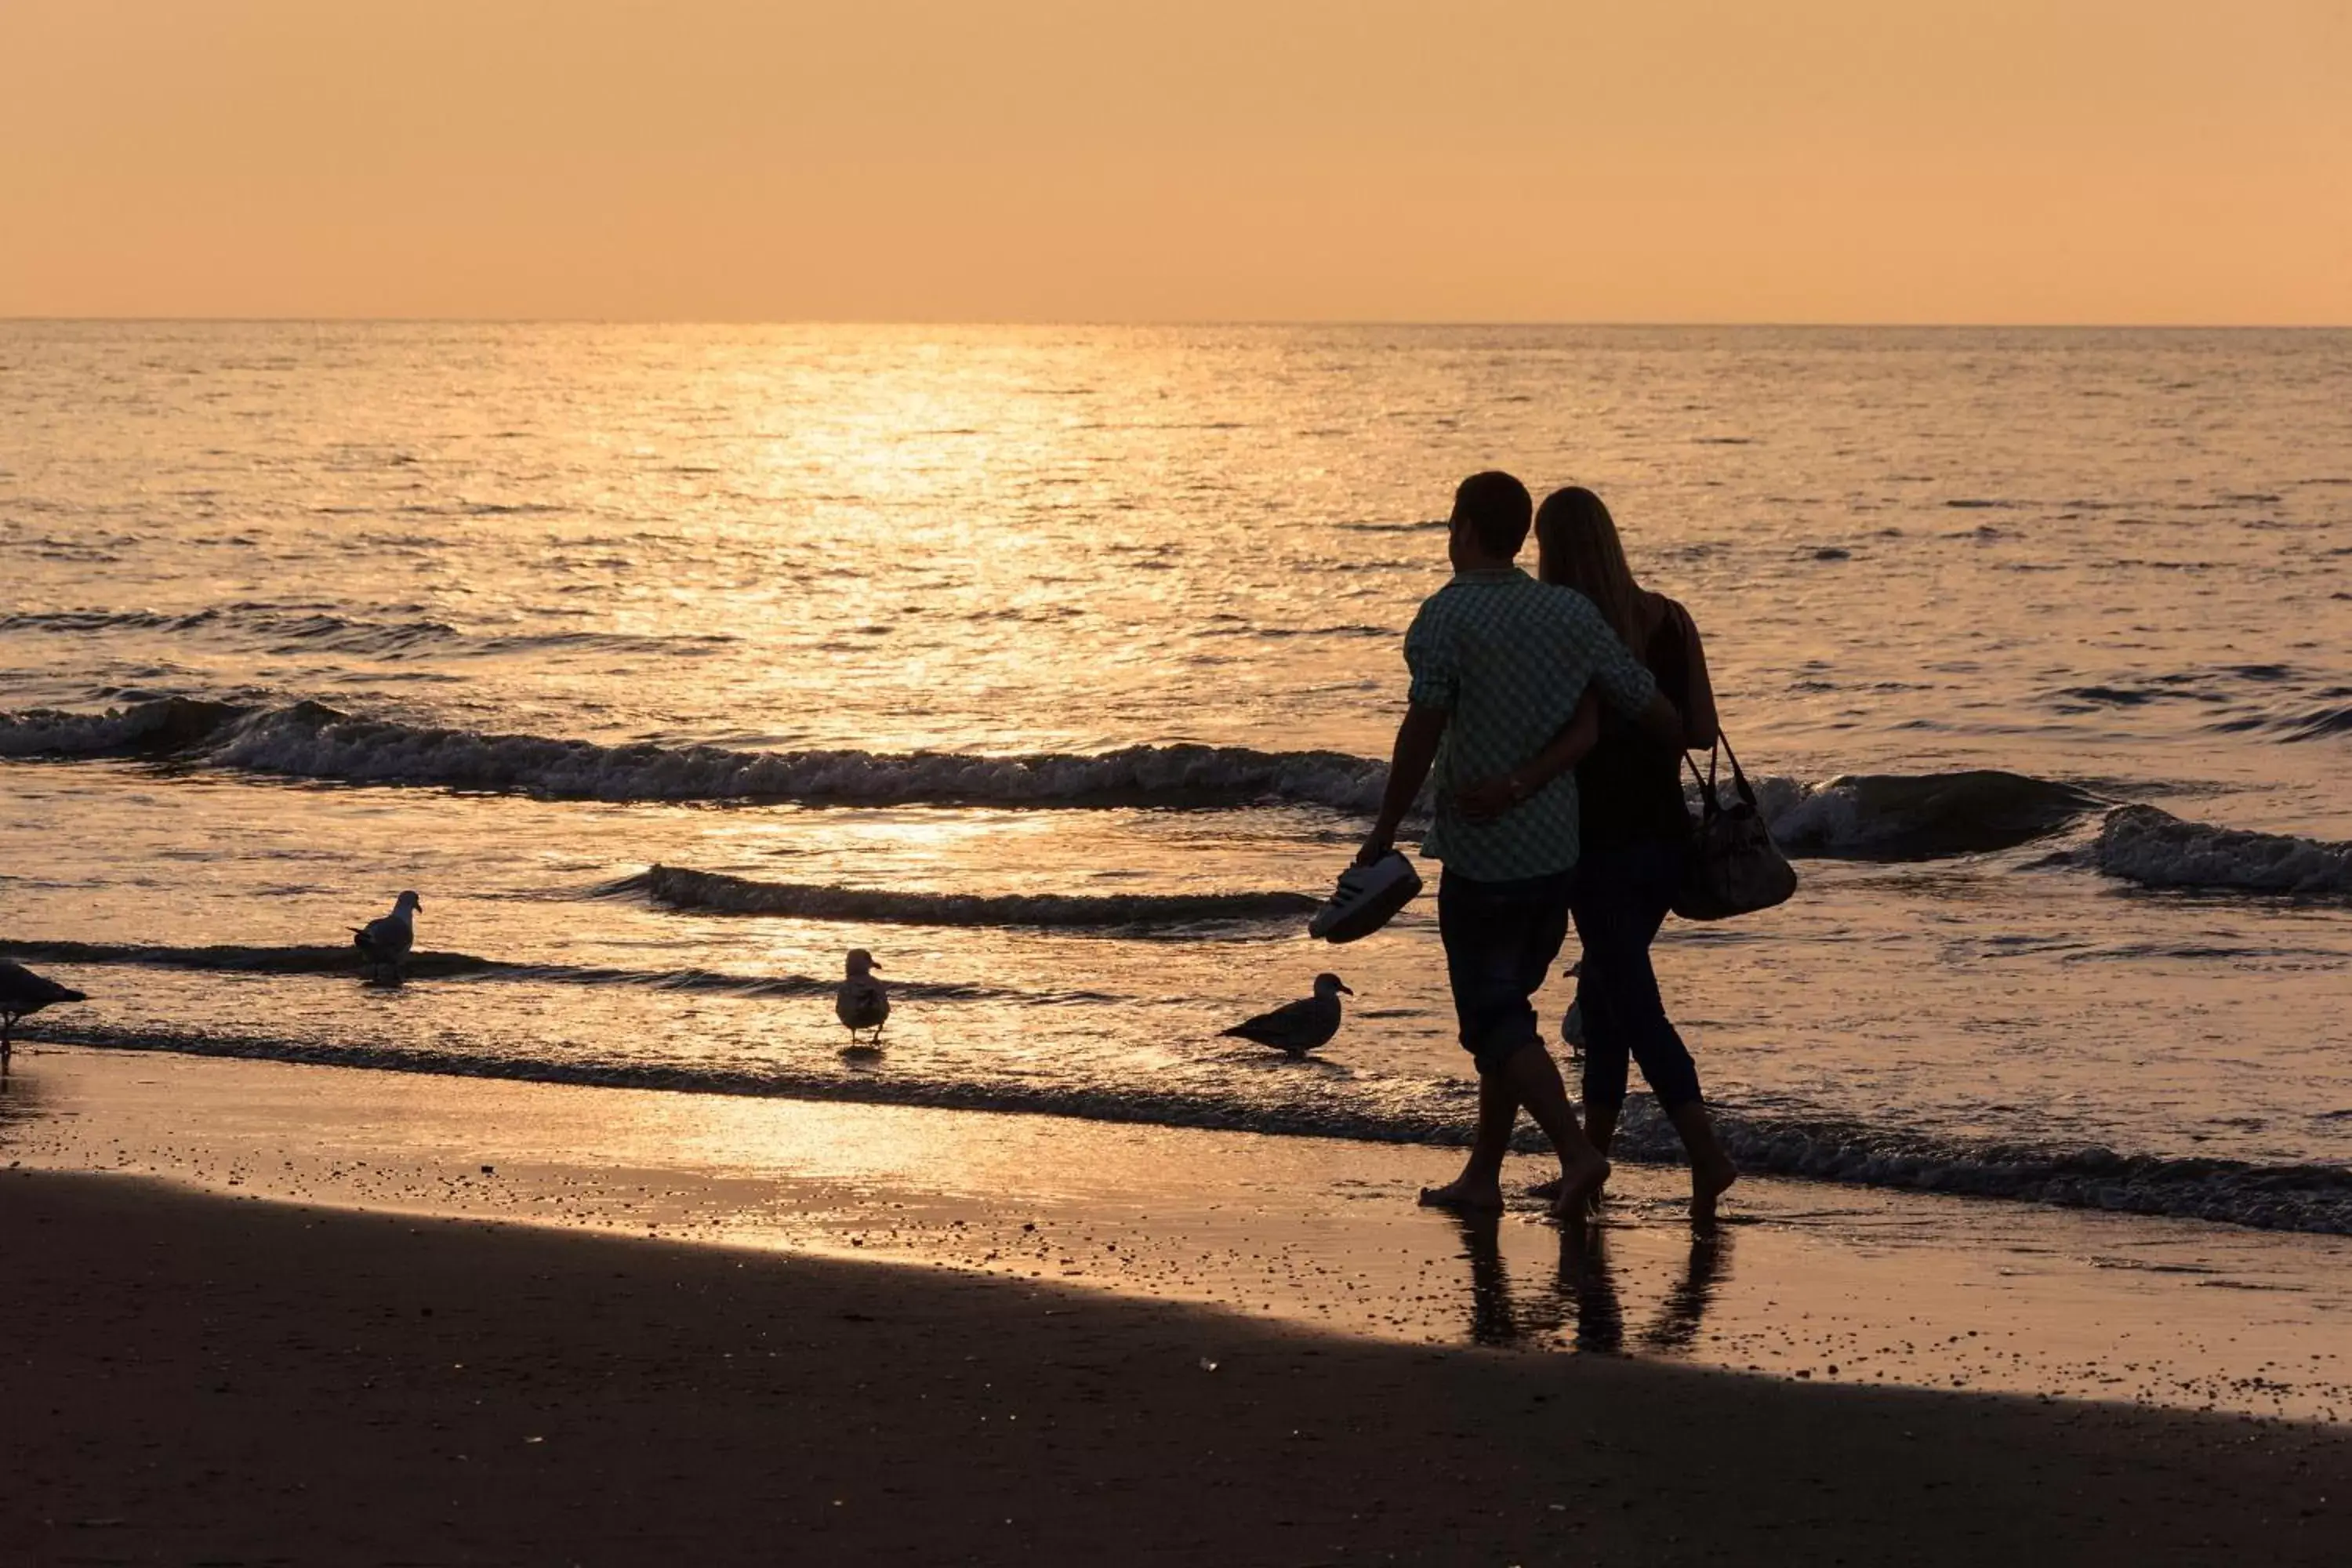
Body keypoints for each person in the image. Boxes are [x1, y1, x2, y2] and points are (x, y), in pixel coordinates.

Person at [1359, 470, 1683, 1220]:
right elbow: (1649, 709)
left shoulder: (1446, 616)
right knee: (1510, 1020)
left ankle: (1577, 1154)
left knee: (1492, 1020)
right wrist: (1680, 739)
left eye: (1450, 524)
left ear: (1467, 531)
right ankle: (1482, 1177)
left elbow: (1422, 731)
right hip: (1557, 859)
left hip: (1483, 858)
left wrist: (1383, 829)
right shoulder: (1568, 612)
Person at [1481, 485, 1739, 1225]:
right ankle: (1588, 1170)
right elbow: (1700, 731)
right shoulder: (1669, 618)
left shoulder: (1561, 629)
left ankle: (1708, 1156)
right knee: (1603, 998)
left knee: (1631, 1002)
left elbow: (1545, 733)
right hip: (1663, 840)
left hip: (1589, 844)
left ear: (1551, 551)